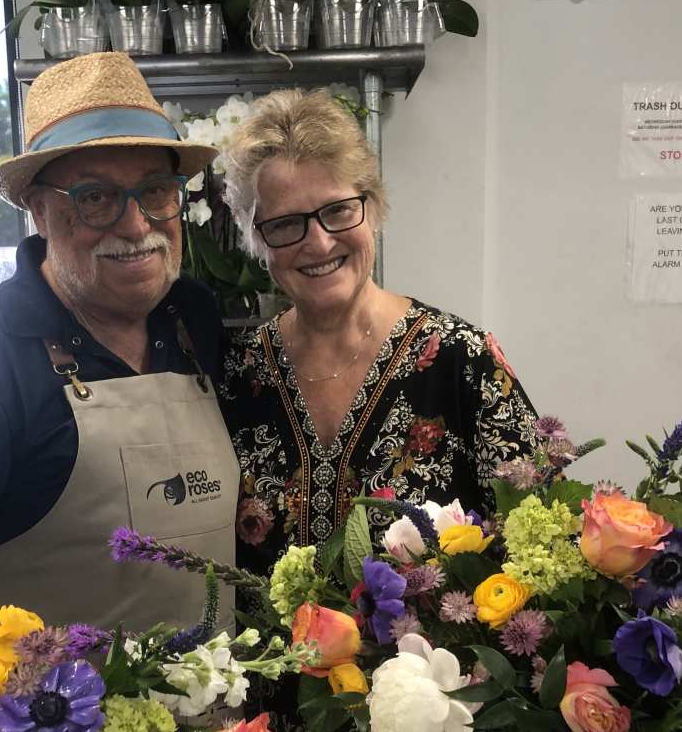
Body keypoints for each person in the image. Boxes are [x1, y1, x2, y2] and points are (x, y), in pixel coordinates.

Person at [0, 52, 238, 631]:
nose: (136, 227)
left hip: (221, 717)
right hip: (45, 717)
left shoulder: (194, 318)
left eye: (157, 191)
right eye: (95, 198)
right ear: (38, 210)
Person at [219, 88, 543, 577]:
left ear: (373, 208)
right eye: (286, 224)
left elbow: (543, 544)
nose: (319, 241)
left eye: (338, 210)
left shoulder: (462, 361)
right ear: (255, 239)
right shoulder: (237, 376)